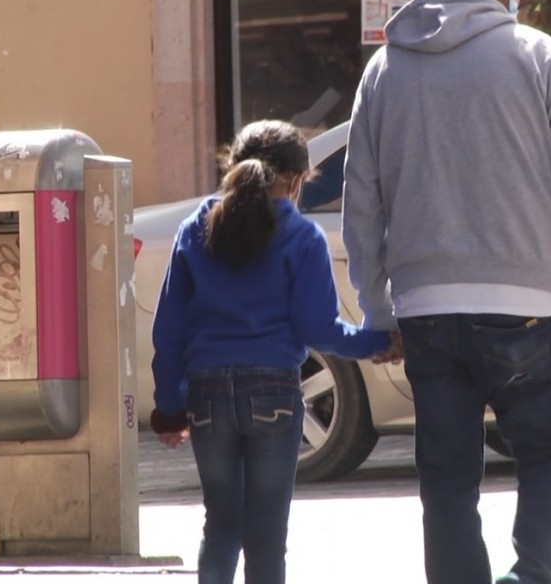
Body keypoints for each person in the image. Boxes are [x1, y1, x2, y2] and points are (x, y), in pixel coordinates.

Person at [342, 0, 551, 583]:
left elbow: (362, 202)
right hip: (526, 300)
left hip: (425, 306)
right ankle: (529, 576)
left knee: (447, 480)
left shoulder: (383, 69)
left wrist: (378, 309)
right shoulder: (538, 55)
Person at [150, 119, 401, 584]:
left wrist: (170, 407)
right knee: (266, 535)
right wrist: (380, 341)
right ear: (299, 178)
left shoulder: (195, 226)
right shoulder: (302, 238)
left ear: (232, 166)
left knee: (221, 524)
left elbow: (169, 329)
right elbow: (318, 330)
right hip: (272, 394)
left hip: (206, 394)